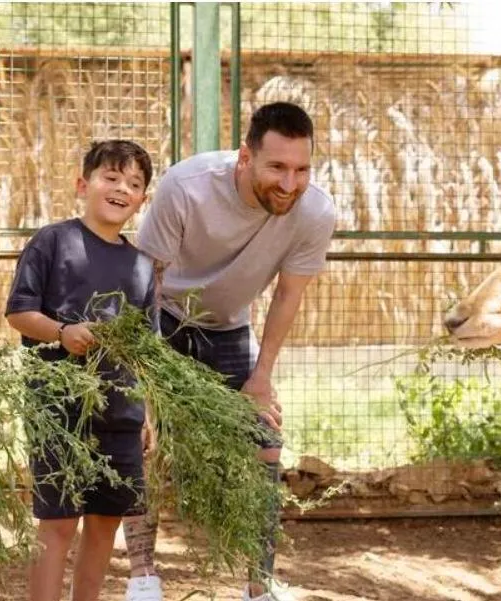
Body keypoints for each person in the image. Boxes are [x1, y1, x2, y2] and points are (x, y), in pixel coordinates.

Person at [124, 101, 336, 601]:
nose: (290, 183)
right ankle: (143, 577)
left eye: (302, 169)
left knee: (266, 437)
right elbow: (146, 283)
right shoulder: (186, 186)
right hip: (164, 318)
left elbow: (288, 296)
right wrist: (144, 378)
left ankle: (259, 586)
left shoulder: (315, 211)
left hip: (229, 327)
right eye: (277, 167)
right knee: (142, 439)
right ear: (245, 157)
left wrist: (261, 378)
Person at [5, 139, 157, 601]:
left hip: (121, 414)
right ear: (82, 184)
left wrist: (147, 413)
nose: (121, 188)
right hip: (58, 410)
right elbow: (19, 312)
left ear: (143, 199)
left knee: (105, 522)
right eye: (110, 177)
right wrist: (61, 332)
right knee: (58, 523)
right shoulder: (53, 241)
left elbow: (145, 352)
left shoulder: (141, 266)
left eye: (133, 183)